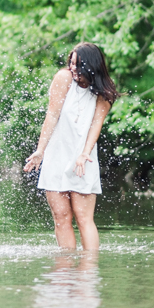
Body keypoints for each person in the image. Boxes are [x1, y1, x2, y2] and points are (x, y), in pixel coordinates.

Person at [23, 43, 119, 251]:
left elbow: (96, 126)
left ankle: (88, 271)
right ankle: (65, 272)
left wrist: (84, 154)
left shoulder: (104, 93)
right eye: (71, 63)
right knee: (61, 216)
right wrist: (40, 151)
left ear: (92, 66)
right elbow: (52, 115)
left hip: (83, 160)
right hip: (56, 155)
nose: (73, 68)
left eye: (78, 65)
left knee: (84, 218)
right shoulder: (63, 79)